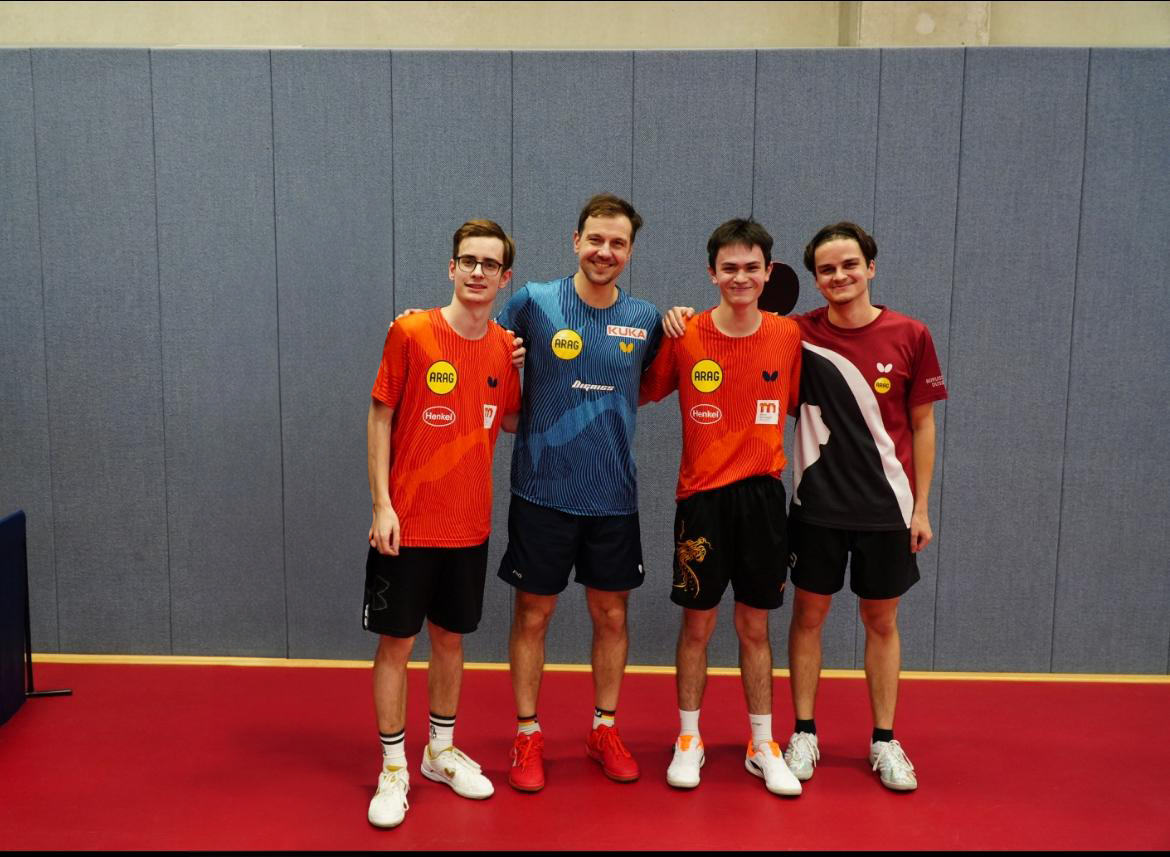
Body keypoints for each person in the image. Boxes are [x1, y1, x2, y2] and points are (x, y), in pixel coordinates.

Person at [495, 193, 663, 791]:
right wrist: (418, 321)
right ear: (575, 240)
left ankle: (604, 729)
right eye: (596, 239)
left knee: (611, 615)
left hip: (613, 495)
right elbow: (470, 340)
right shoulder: (533, 302)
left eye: (618, 243)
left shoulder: (646, 319)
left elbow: (655, 383)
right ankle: (527, 734)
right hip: (540, 490)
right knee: (533, 614)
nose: (604, 251)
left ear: (630, 252)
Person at [364, 219, 522, 828]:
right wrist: (382, 505)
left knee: (451, 641)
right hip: (406, 524)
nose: (478, 271)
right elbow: (379, 417)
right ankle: (393, 766)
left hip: (468, 526)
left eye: (490, 264)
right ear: (451, 268)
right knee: (397, 645)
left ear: (505, 278)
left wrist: (526, 361)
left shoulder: (505, 349)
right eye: (468, 261)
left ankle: (439, 752)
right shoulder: (410, 331)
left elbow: (511, 419)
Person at [640, 219, 804, 796]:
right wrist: (661, 329)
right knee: (698, 625)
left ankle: (763, 743)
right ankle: (689, 739)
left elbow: (800, 404)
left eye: (751, 267)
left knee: (755, 627)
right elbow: (642, 387)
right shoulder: (686, 333)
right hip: (702, 500)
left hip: (763, 499)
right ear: (712, 273)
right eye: (729, 267)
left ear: (768, 272)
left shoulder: (787, 336)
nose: (740, 277)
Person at [782, 222, 947, 792]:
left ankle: (884, 740)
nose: (840, 276)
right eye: (827, 269)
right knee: (808, 617)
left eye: (850, 264)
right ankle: (804, 733)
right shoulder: (796, 334)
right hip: (816, 507)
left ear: (870, 267)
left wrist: (921, 508)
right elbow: (738, 327)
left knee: (881, 621)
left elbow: (922, 426)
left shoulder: (911, 334)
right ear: (816, 279)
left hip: (887, 510)